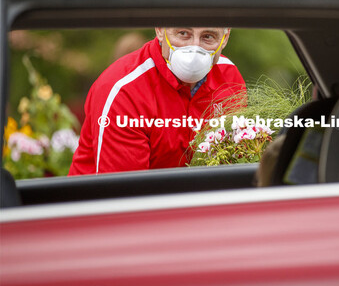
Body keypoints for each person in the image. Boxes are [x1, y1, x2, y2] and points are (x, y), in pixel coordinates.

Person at [69, 27, 246, 175]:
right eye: (183, 33)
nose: (194, 49)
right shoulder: (124, 91)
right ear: (161, 30)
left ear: (225, 38)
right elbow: (124, 194)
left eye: (208, 37)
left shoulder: (230, 78)